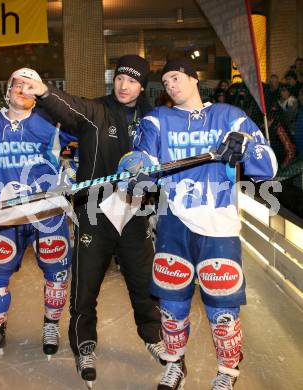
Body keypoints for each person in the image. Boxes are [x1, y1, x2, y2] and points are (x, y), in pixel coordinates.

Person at [118, 58, 277, 390]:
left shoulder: (229, 116)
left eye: (176, 78)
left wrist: (246, 149)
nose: (171, 86)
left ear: (193, 79)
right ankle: (175, 366)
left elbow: (268, 167)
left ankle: (227, 371)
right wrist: (136, 169)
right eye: (165, 82)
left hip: (219, 227)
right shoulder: (158, 119)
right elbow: (140, 159)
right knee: (173, 306)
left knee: (223, 307)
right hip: (173, 224)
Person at [15, 55, 165, 388]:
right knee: (85, 289)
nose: (124, 86)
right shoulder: (96, 112)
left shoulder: (152, 119)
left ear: (142, 85)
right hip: (95, 214)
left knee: (144, 285)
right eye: (120, 79)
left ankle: (154, 336)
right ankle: (85, 344)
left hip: (135, 215)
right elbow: (67, 107)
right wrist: (43, 91)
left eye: (132, 81)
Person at [0, 68, 72, 365]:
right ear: (8, 91)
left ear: (38, 92)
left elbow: (89, 133)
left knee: (57, 273)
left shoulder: (51, 121)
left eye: (30, 85)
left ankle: (51, 326)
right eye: (18, 84)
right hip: (6, 215)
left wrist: (75, 169)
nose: (23, 89)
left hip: (48, 212)